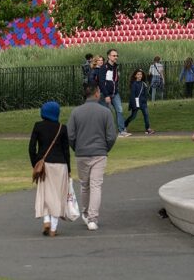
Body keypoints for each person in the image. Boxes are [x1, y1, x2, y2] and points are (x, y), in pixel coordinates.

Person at [67, 85, 116, 231]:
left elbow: (70, 135)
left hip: (82, 153)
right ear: (96, 94)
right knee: (96, 185)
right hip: (99, 152)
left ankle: (86, 212)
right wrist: (105, 148)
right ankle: (92, 218)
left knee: (85, 185)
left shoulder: (76, 112)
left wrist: (77, 147)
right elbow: (111, 136)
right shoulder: (105, 112)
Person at [29, 101, 70, 237]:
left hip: (45, 164)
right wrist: (69, 169)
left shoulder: (38, 126)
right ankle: (54, 227)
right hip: (60, 164)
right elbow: (66, 150)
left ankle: (46, 220)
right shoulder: (62, 128)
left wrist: (35, 163)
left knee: (45, 193)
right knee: (58, 195)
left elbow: (31, 148)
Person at [99, 49, 129, 137]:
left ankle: (122, 130)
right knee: (107, 113)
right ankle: (106, 132)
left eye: (116, 56)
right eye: (114, 55)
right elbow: (101, 82)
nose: (116, 57)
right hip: (106, 94)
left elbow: (114, 81)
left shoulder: (116, 67)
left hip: (115, 93)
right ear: (109, 56)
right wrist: (106, 95)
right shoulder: (104, 68)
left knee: (119, 110)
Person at [124, 69, 154, 134]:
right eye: (138, 74)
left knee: (146, 115)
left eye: (141, 74)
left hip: (143, 103)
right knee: (133, 116)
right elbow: (132, 95)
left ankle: (148, 129)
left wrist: (145, 100)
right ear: (135, 75)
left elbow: (146, 94)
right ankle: (124, 125)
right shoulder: (134, 84)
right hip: (136, 103)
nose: (140, 75)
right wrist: (134, 104)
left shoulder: (144, 84)